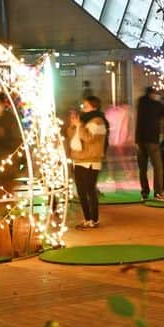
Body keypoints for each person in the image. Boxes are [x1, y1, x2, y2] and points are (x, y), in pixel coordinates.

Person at [68, 93, 109, 229]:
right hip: (78, 159)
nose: (83, 108)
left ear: (94, 107)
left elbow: (89, 138)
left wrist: (79, 125)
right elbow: (70, 135)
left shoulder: (98, 121)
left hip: (91, 160)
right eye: (83, 106)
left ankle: (94, 219)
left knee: (89, 190)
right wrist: (74, 125)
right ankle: (87, 219)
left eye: (86, 106)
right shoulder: (83, 121)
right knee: (80, 191)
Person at [134, 85, 164, 201]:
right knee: (158, 166)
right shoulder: (156, 105)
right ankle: (158, 192)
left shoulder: (140, 104)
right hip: (152, 140)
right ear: (152, 94)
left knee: (143, 168)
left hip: (140, 139)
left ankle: (144, 192)